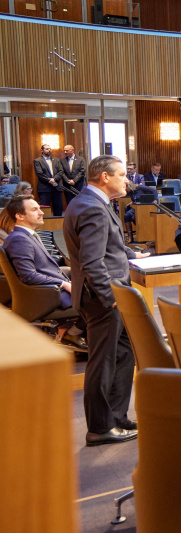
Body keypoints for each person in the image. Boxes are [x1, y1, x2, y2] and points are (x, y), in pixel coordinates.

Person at [63, 154, 149, 446]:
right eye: (123, 175)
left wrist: (132, 255)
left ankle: (117, 417)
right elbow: (91, 261)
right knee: (103, 363)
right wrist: (110, 297)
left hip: (107, 294)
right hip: (103, 298)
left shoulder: (90, 202)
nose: (127, 180)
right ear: (104, 178)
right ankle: (100, 428)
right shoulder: (93, 208)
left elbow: (109, 245)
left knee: (124, 354)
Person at [3, 194, 87, 347]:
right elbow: (28, 276)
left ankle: (70, 332)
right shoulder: (19, 239)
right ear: (20, 215)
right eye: (35, 209)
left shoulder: (27, 236)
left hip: (52, 291)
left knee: (100, 290)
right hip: (48, 296)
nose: (41, 212)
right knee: (104, 300)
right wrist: (64, 284)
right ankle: (72, 333)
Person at [34, 144, 64, 216]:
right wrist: (50, 181)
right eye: (47, 149)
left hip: (57, 188)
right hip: (45, 188)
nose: (49, 150)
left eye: (50, 149)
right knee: (45, 209)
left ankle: (58, 224)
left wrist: (54, 179)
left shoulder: (56, 160)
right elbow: (39, 173)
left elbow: (61, 171)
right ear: (42, 150)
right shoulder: (38, 161)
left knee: (58, 208)